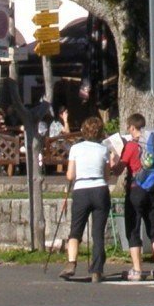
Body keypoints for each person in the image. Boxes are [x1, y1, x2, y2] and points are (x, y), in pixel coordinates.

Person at [60, 118, 115, 283]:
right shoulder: (104, 150)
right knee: (97, 233)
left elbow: (70, 175)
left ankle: (71, 262)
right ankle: (97, 270)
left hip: (81, 190)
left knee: (75, 230)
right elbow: (107, 176)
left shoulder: (76, 148)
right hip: (99, 189)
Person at [117, 113, 154, 282]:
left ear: (132, 127)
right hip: (152, 190)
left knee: (133, 229)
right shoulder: (152, 144)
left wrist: (113, 159)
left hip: (135, 190)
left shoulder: (131, 146)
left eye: (129, 127)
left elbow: (119, 169)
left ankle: (137, 270)